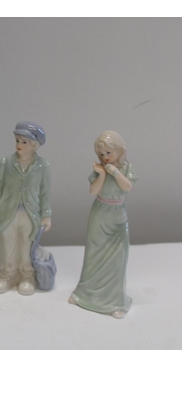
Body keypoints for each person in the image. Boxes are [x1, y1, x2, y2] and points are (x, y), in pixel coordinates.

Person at [69, 130, 137, 318]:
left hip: (117, 215)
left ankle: (115, 301)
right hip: (99, 214)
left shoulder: (126, 167)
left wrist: (114, 172)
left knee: (117, 258)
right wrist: (101, 174)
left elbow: (127, 186)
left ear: (119, 150)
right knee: (93, 254)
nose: (105, 157)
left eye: (108, 152)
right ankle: (84, 294)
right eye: (101, 153)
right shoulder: (100, 168)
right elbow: (93, 191)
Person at [0, 122, 52, 295]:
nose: (19, 145)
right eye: (17, 140)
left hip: (30, 214)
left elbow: (45, 192)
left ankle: (27, 275)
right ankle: (7, 274)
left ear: (34, 145)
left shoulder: (42, 166)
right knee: (7, 243)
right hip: (8, 213)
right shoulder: (6, 162)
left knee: (27, 245)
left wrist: (46, 215)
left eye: (24, 142)